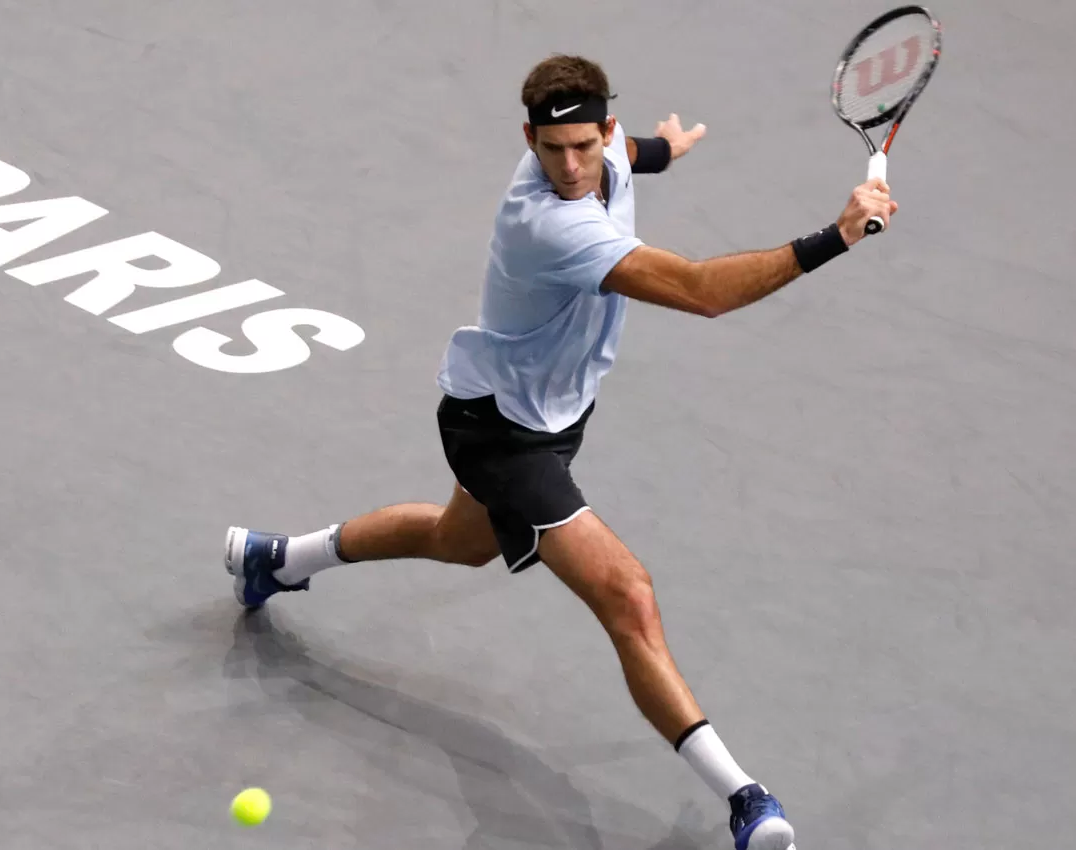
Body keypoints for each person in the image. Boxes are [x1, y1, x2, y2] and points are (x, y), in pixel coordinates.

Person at [223, 54, 896, 850]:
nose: (570, 166)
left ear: (604, 130)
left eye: (585, 145)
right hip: (499, 431)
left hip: (547, 412)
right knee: (629, 598)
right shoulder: (547, 222)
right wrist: (839, 236)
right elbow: (701, 292)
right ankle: (747, 800)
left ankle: (277, 559)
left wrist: (661, 150)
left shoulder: (605, 154)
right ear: (528, 140)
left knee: (457, 541)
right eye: (552, 151)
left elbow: (626, 155)